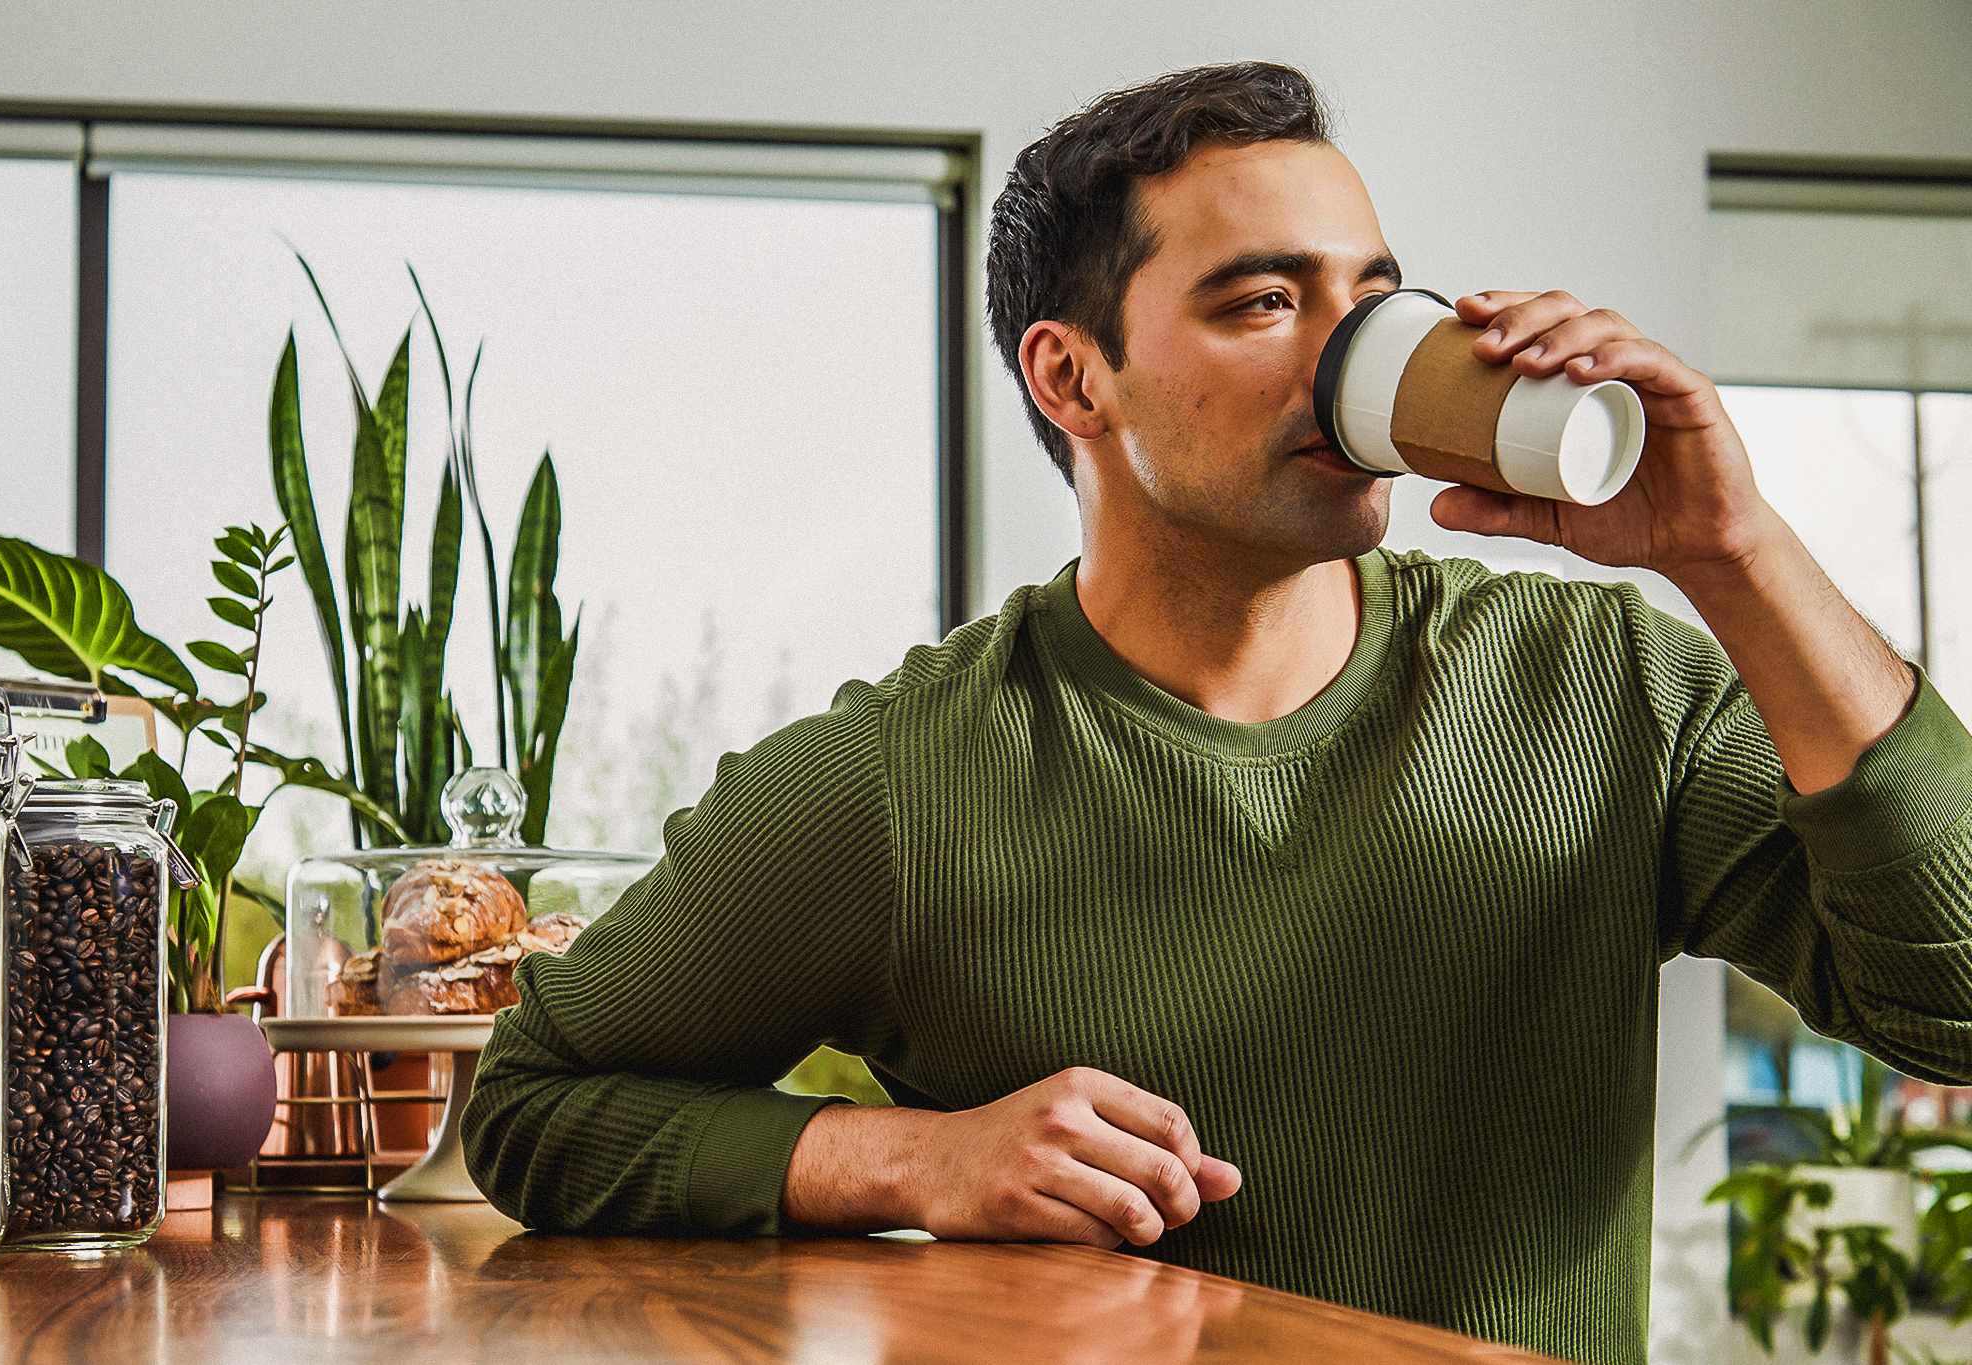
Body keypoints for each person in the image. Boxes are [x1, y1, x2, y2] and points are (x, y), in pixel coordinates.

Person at [462, 62, 1972, 1365]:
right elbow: (534, 1108)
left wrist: (1733, 548)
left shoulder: (1609, 683)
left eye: (1374, 298)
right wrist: (914, 1159)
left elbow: (1953, 1006)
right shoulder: (896, 782)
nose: (1350, 353)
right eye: (1265, 301)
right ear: (1075, 379)